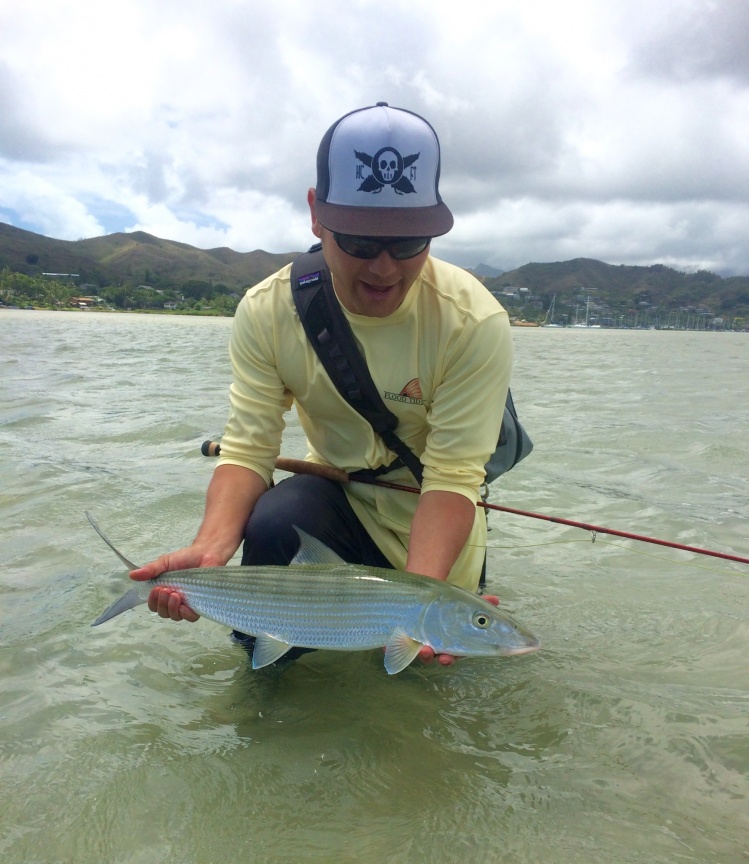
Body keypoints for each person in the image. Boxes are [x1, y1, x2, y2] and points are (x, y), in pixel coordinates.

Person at [131, 102, 513, 667]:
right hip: (340, 504)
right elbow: (249, 447)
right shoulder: (267, 311)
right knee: (272, 525)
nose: (384, 268)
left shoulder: (472, 322)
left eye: (408, 243)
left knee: (416, 703)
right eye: (359, 241)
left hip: (433, 528)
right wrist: (209, 552)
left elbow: (454, 476)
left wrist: (419, 606)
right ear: (316, 215)